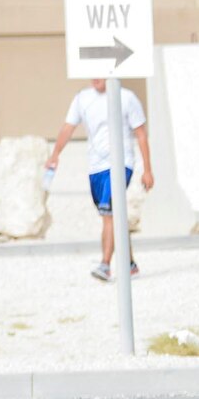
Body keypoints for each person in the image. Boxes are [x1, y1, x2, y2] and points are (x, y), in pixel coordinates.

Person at [48, 77, 154, 281]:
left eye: (101, 73)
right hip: (96, 167)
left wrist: (147, 169)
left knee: (109, 214)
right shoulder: (82, 98)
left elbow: (140, 134)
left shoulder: (126, 97)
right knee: (114, 215)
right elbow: (68, 127)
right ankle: (130, 263)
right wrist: (55, 155)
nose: (96, 77)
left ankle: (105, 265)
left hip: (121, 163)